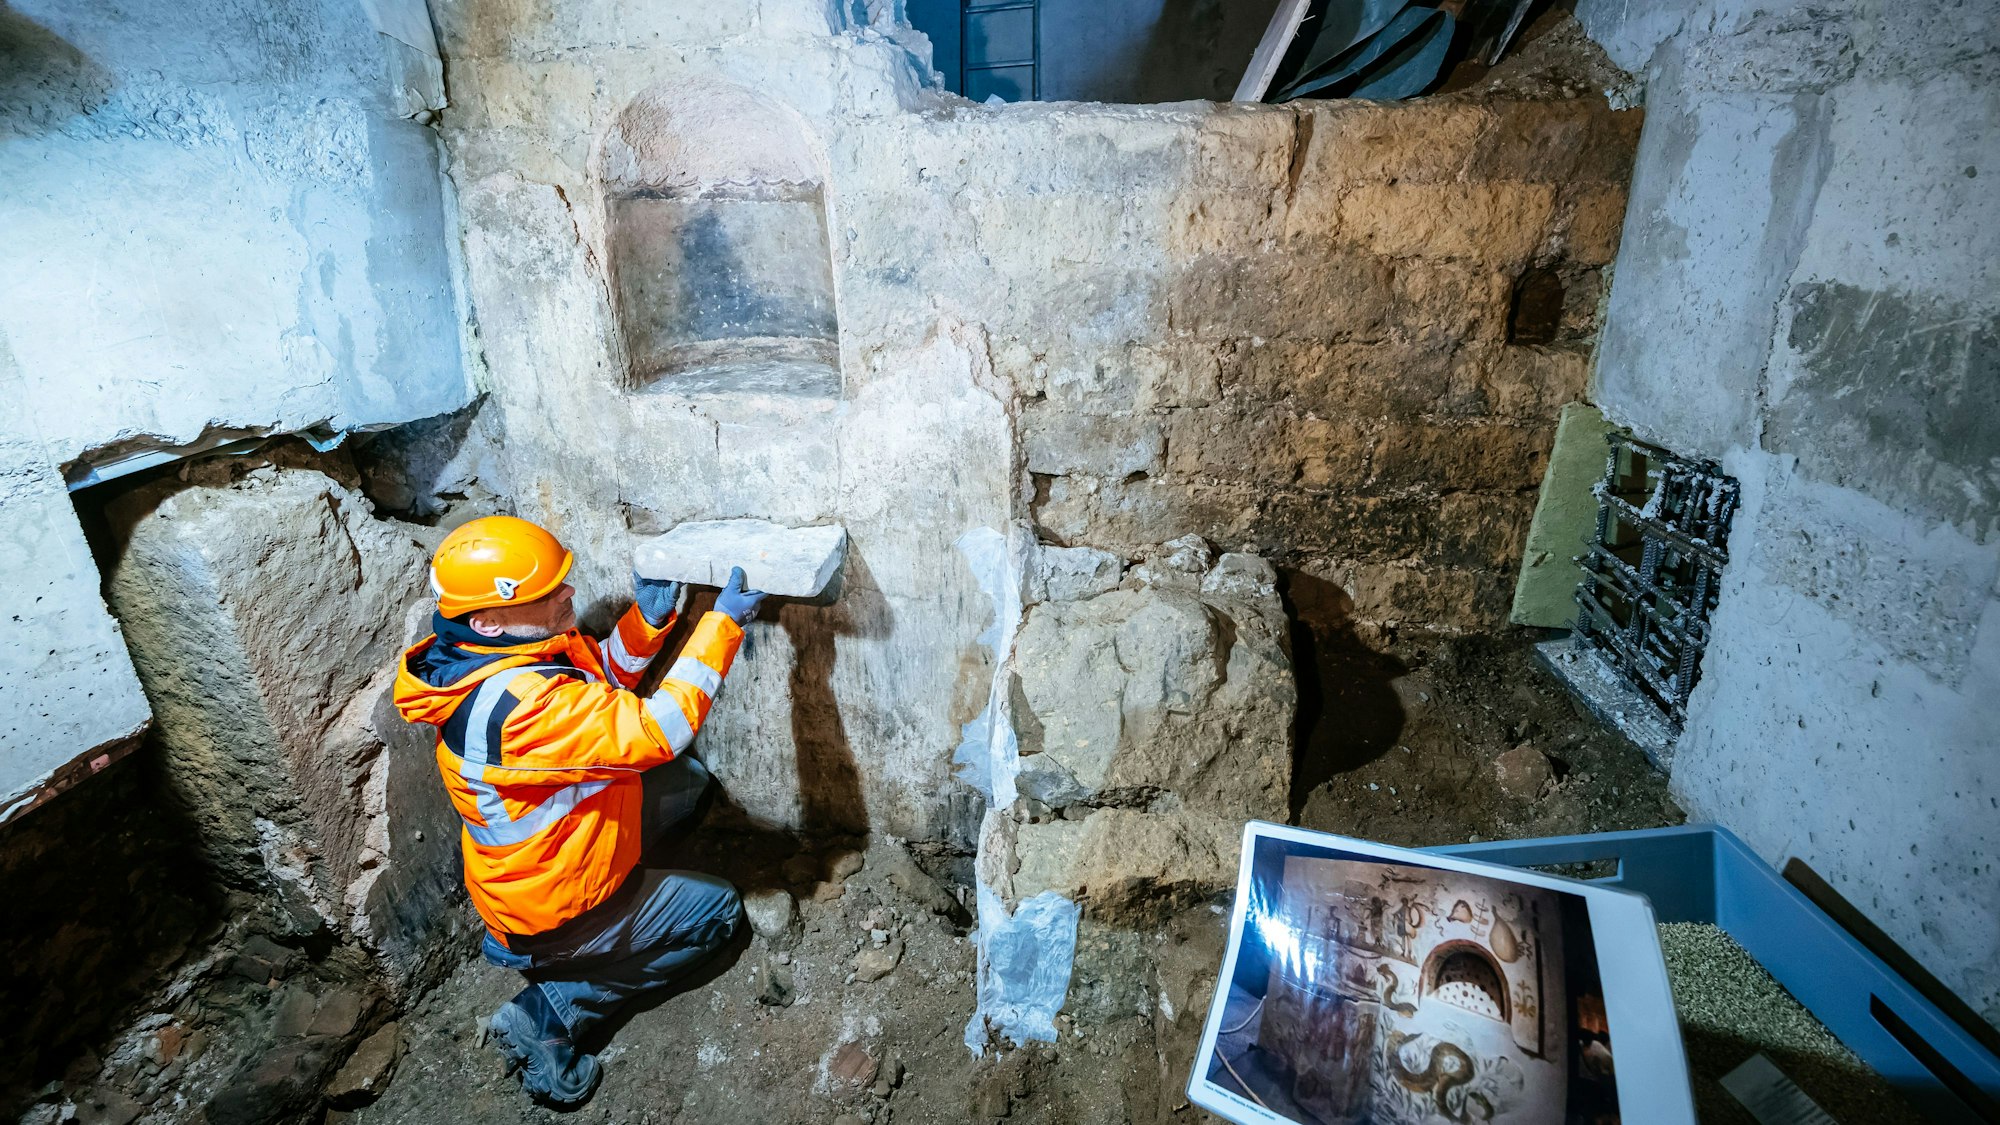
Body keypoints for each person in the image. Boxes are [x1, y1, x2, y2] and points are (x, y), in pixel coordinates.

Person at [392, 515, 766, 1106]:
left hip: (548, 869)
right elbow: (658, 729)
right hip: (555, 913)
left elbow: (595, 692)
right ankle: (551, 1012)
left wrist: (646, 624)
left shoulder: (486, 655)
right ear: (488, 618)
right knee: (718, 913)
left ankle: (622, 915)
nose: (569, 593)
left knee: (684, 786)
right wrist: (721, 625)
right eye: (549, 593)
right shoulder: (519, 711)